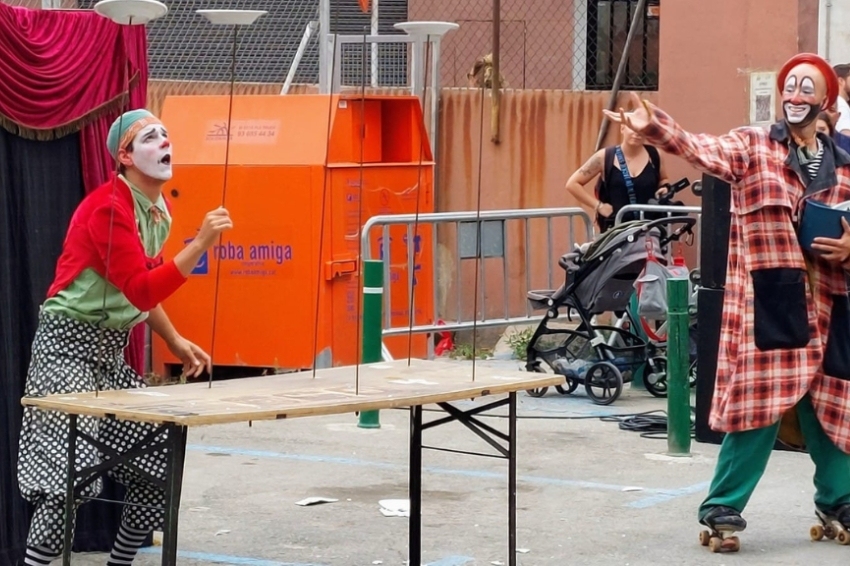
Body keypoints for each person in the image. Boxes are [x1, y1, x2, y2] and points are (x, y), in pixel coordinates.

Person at [604, 53, 850, 550]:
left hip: (828, 303)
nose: (796, 97)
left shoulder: (845, 164)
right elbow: (701, 150)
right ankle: (723, 505)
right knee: (758, 408)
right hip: (770, 306)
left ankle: (839, 499)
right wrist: (656, 127)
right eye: (790, 88)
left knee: (831, 405)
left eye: (808, 90)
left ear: (824, 101)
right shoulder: (752, 145)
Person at [16, 109, 233, 566]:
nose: (164, 142)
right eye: (150, 138)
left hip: (109, 355)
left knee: (159, 462)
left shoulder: (157, 212)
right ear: (125, 156)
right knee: (66, 480)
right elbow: (139, 287)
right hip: (65, 353)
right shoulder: (107, 207)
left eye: (166, 135)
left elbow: (137, 288)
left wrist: (173, 339)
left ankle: (120, 564)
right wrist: (199, 245)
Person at [566, 114, 670, 233]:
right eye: (632, 128)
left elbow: (664, 179)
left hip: (650, 231)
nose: (637, 133)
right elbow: (572, 184)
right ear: (622, 128)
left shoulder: (655, 155)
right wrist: (598, 206)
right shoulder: (605, 156)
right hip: (615, 233)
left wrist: (664, 187)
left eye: (642, 129)